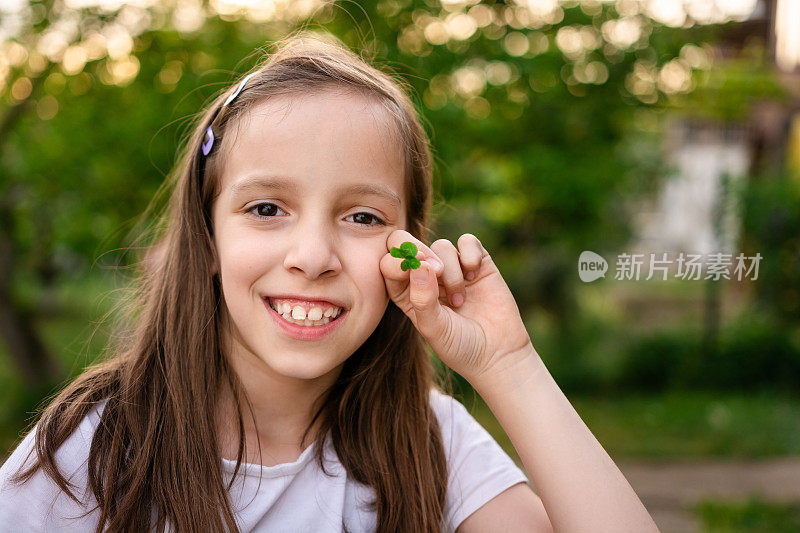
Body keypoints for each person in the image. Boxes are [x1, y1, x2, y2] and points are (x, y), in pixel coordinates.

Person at [0, 32, 657, 532]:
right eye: (266, 208)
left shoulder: (430, 441)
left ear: (408, 250)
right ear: (207, 237)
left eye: (363, 215)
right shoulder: (94, 448)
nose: (313, 255)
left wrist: (508, 364)